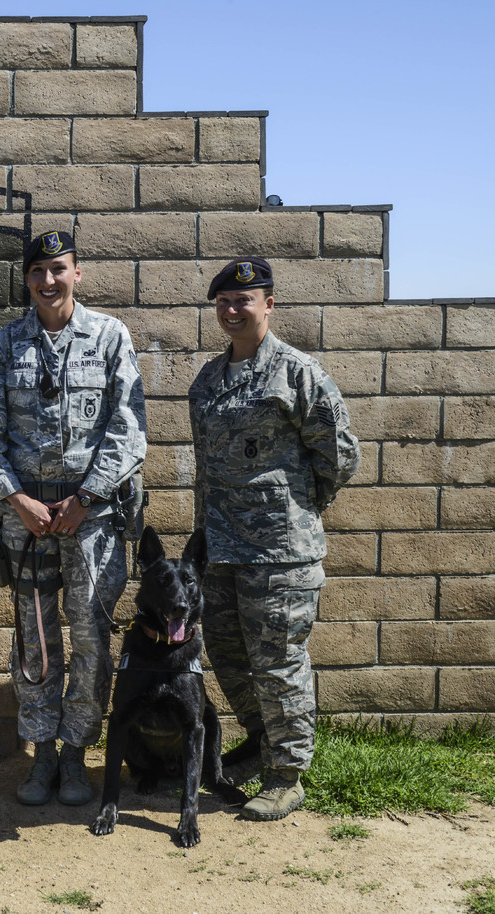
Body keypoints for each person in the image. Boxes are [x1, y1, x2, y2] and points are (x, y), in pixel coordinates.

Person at [0, 230, 147, 806]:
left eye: (59, 269)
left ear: (77, 273)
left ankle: (75, 756)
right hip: (26, 517)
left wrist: (86, 498)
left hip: (90, 516)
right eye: (38, 271)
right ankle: (41, 756)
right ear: (27, 278)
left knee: (92, 638)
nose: (49, 281)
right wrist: (16, 498)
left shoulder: (110, 336)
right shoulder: (6, 344)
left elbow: (128, 431)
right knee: (34, 640)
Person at [188, 256, 359, 821]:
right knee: (230, 658)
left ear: (268, 304)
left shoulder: (299, 374)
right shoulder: (208, 381)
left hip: (280, 554)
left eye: (244, 300)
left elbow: (340, 456)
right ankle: (264, 744)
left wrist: (299, 512)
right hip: (220, 551)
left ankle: (288, 776)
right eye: (224, 303)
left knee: (279, 662)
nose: (233, 310)